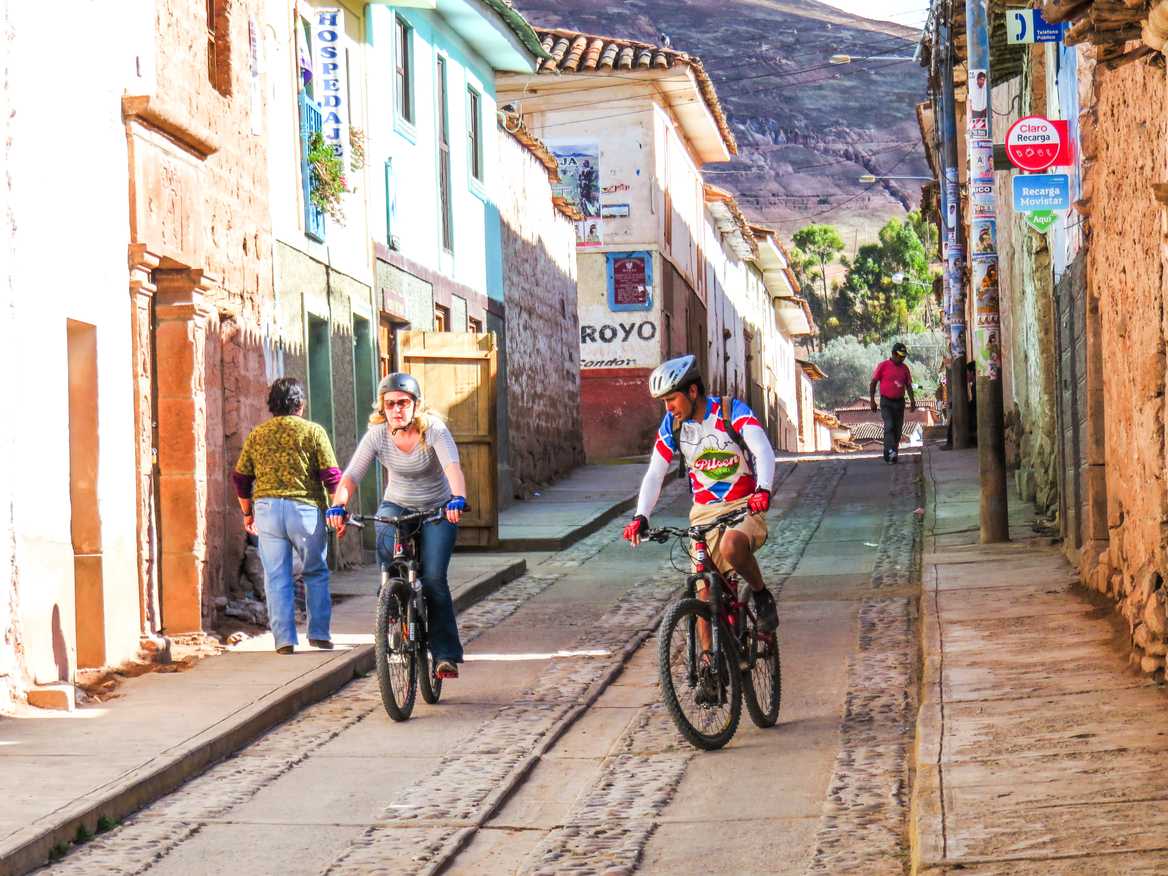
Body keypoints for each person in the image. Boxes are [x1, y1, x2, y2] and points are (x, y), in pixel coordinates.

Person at [622, 354, 779, 635]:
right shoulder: (673, 426)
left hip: (744, 506)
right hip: (703, 513)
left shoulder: (731, 411)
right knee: (702, 589)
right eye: (664, 403)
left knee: (731, 546)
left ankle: (760, 594)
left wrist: (763, 489)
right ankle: (708, 666)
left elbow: (762, 450)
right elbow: (655, 473)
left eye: (672, 399)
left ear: (692, 391)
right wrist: (641, 516)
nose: (668, 408)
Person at [327, 373, 468, 680]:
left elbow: (452, 468)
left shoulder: (434, 431)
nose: (396, 409)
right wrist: (339, 505)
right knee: (385, 539)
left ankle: (445, 655)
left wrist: (458, 498)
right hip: (397, 504)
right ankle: (391, 604)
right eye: (389, 404)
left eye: (403, 403)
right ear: (383, 408)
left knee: (432, 579)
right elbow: (350, 476)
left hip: (437, 507)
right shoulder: (378, 435)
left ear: (415, 405)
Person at [233, 377, 342, 654]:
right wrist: (338, 508)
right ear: (300, 404)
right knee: (315, 571)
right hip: (304, 510)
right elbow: (331, 476)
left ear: (272, 404)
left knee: (276, 576)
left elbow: (241, 477)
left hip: (267, 510)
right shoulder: (313, 432)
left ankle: (283, 640)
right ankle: (318, 633)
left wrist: (247, 512)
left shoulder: (258, 434)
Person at [870, 341, 917, 464]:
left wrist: (912, 400)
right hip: (886, 402)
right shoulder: (883, 366)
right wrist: (872, 400)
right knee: (889, 426)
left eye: (904, 356)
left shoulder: (905, 368)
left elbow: (909, 386)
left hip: (899, 403)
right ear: (893, 354)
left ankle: (893, 452)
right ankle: (890, 452)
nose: (902, 358)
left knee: (897, 430)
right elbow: (873, 382)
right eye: (900, 356)